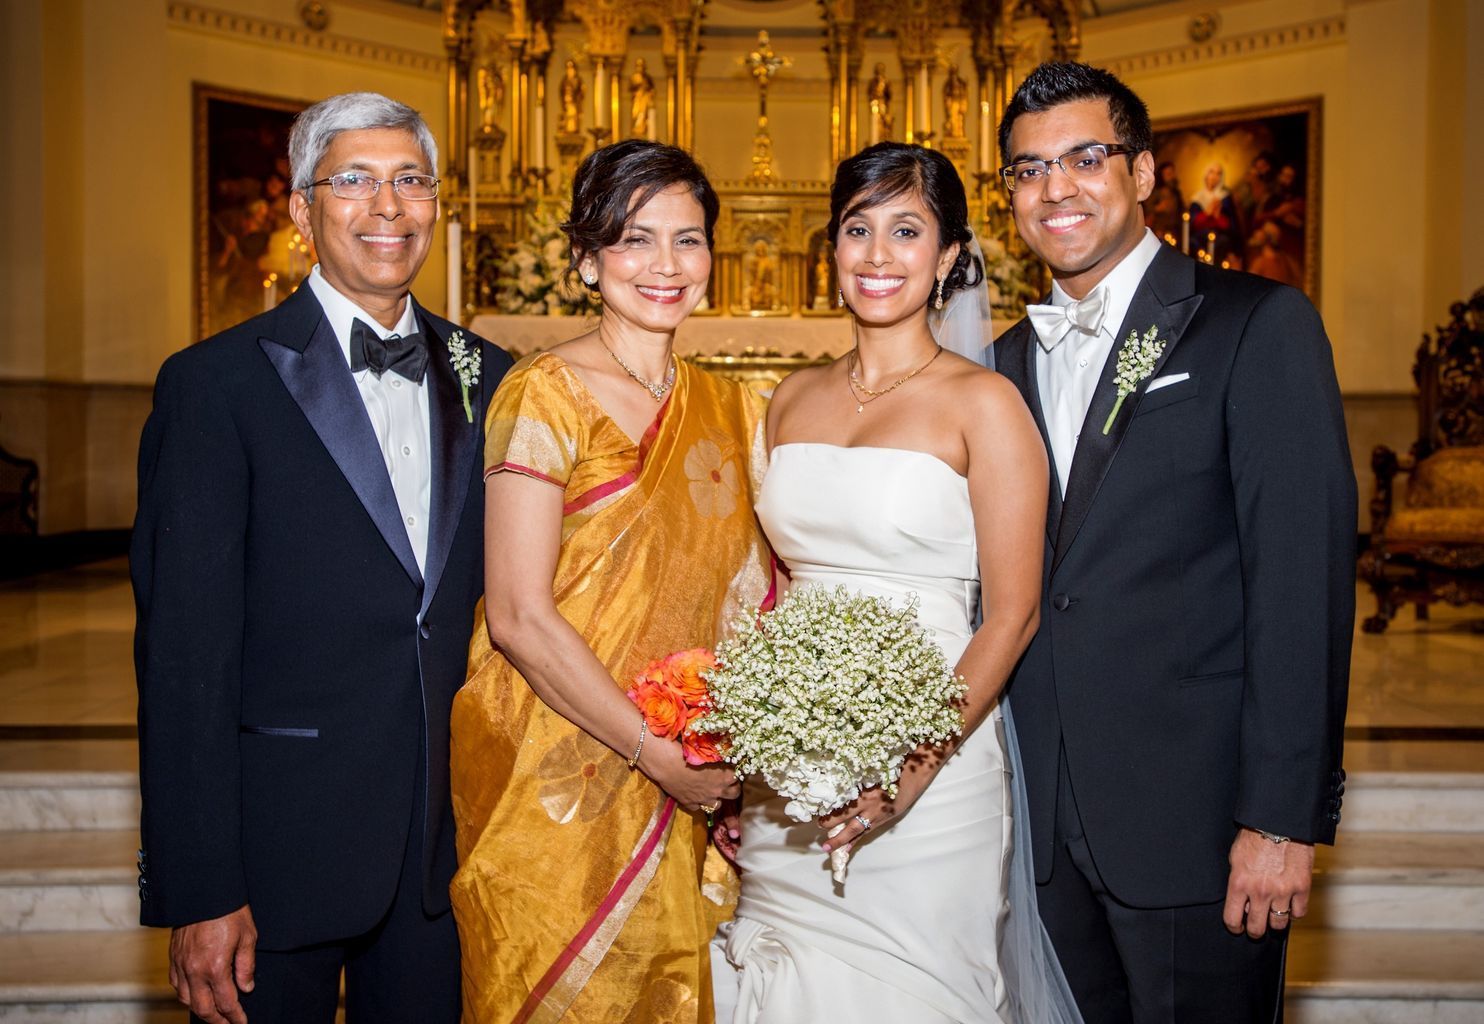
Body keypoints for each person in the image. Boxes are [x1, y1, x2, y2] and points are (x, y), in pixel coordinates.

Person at [132, 91, 511, 1024]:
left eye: (411, 180)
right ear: (304, 211)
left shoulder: (491, 376)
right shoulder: (214, 385)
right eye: (355, 180)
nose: (389, 205)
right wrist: (201, 886)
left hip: (441, 855)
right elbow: (183, 657)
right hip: (275, 855)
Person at [992, 62, 1354, 1022]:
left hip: (1198, 827)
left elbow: (1300, 586)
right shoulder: (999, 366)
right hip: (1036, 832)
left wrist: (1280, 818)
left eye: (1085, 157)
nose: (1055, 187)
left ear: (1145, 174)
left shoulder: (1255, 326)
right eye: (1028, 170)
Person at [714, 142, 1072, 1022]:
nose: (878, 255)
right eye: (857, 229)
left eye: (906, 231)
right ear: (831, 248)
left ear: (949, 257)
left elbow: (1013, 616)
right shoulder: (789, 399)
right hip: (789, 776)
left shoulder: (984, 406)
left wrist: (909, 770)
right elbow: (767, 586)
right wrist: (743, 753)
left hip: (935, 777)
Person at [450, 139, 772, 1022]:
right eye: (635, 240)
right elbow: (517, 614)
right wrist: (652, 753)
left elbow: (749, 592)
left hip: (691, 762)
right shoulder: (545, 393)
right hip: (558, 760)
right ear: (588, 261)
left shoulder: (731, 408)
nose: (666, 265)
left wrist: (722, 749)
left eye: (689, 239)